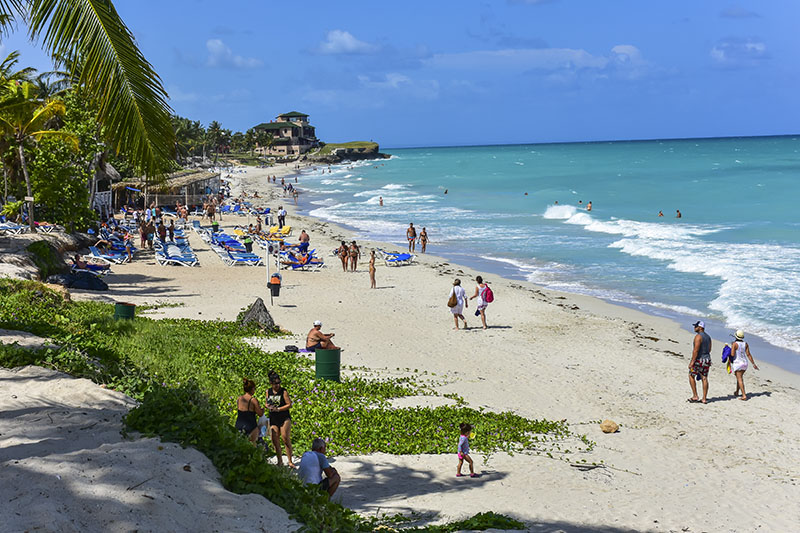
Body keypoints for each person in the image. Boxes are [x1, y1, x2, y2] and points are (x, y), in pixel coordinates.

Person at [266, 371, 295, 467]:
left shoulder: (284, 391)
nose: (277, 385)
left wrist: (278, 409)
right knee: (275, 439)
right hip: (273, 418)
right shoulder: (268, 391)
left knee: (285, 438)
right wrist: (268, 406)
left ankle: (290, 460)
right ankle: (280, 461)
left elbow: (289, 404)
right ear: (271, 383)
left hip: (284, 417)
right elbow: (267, 402)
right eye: (275, 383)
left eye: (279, 383)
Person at [688, 320, 712, 404]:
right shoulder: (708, 337)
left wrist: (692, 362)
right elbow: (709, 349)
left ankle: (695, 396)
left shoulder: (698, 337)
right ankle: (704, 398)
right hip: (707, 359)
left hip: (699, 359)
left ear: (700, 327)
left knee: (691, 375)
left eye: (696, 326)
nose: (694, 327)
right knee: (704, 378)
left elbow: (696, 350)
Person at [731, 330, 759, 401]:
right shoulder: (745, 344)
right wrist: (753, 364)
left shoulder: (734, 344)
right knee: (739, 377)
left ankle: (744, 395)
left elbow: (732, 354)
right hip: (745, 363)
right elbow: (748, 354)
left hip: (738, 363)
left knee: (739, 378)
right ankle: (737, 392)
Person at [235, 378, 265, 444]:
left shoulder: (240, 399)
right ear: (252, 389)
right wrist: (262, 410)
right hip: (250, 425)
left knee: (240, 444)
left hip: (239, 424)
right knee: (252, 445)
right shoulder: (253, 400)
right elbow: (260, 414)